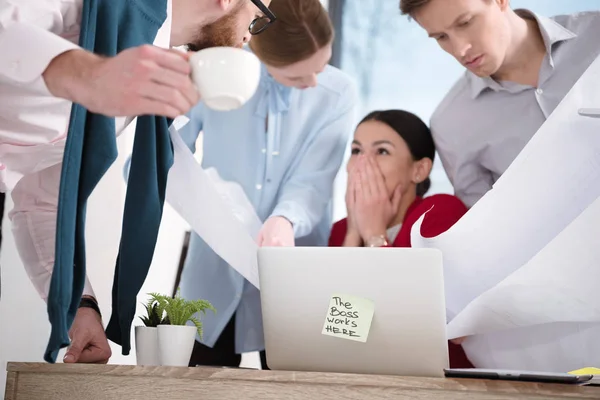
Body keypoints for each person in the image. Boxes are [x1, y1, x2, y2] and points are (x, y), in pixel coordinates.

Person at [0, 0, 275, 364]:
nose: (248, 37)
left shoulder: (140, 73)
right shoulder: (103, 25)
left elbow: (44, 200)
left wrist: (81, 306)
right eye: (257, 18)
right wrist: (88, 75)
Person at [174, 0, 358, 369]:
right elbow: (162, 152)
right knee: (194, 386)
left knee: (295, 388)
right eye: (297, 76)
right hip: (213, 268)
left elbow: (314, 178)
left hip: (292, 276)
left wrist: (285, 219)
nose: (313, 83)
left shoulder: (339, 93)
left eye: (321, 66)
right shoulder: (218, 74)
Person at [398, 0, 600, 208]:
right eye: (441, 37)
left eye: (466, 22)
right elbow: (488, 229)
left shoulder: (595, 36)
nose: (460, 49)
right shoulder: (450, 124)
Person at [328, 109, 474, 368]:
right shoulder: (340, 231)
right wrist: (353, 234)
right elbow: (345, 333)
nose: (363, 165)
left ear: (419, 170)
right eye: (356, 151)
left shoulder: (438, 212)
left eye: (381, 151)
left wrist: (374, 235)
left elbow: (413, 327)